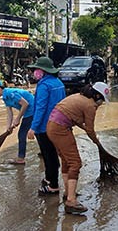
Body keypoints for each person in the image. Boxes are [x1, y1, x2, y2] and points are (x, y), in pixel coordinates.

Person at [46, 82, 110, 214]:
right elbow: (90, 129)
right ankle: (71, 201)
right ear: (96, 95)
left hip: (51, 126)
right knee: (75, 163)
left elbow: (78, 121)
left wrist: (91, 135)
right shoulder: (90, 106)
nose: (101, 103)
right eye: (101, 99)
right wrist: (97, 142)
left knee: (66, 160)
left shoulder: (79, 97)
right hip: (60, 128)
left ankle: (68, 193)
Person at [27, 56, 66, 196]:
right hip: (57, 124)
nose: (35, 72)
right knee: (52, 153)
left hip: (44, 126)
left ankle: (53, 186)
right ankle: (49, 178)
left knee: (48, 155)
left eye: (37, 69)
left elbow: (40, 108)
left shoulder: (44, 85)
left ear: (43, 71)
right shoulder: (58, 82)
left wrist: (33, 127)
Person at [0, 79, 34, 165]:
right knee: (37, 132)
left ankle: (21, 159)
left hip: (32, 110)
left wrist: (18, 119)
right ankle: (44, 151)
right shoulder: (5, 98)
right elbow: (9, 114)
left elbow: (25, 104)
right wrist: (8, 128)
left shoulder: (10, 93)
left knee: (21, 134)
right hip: (29, 111)